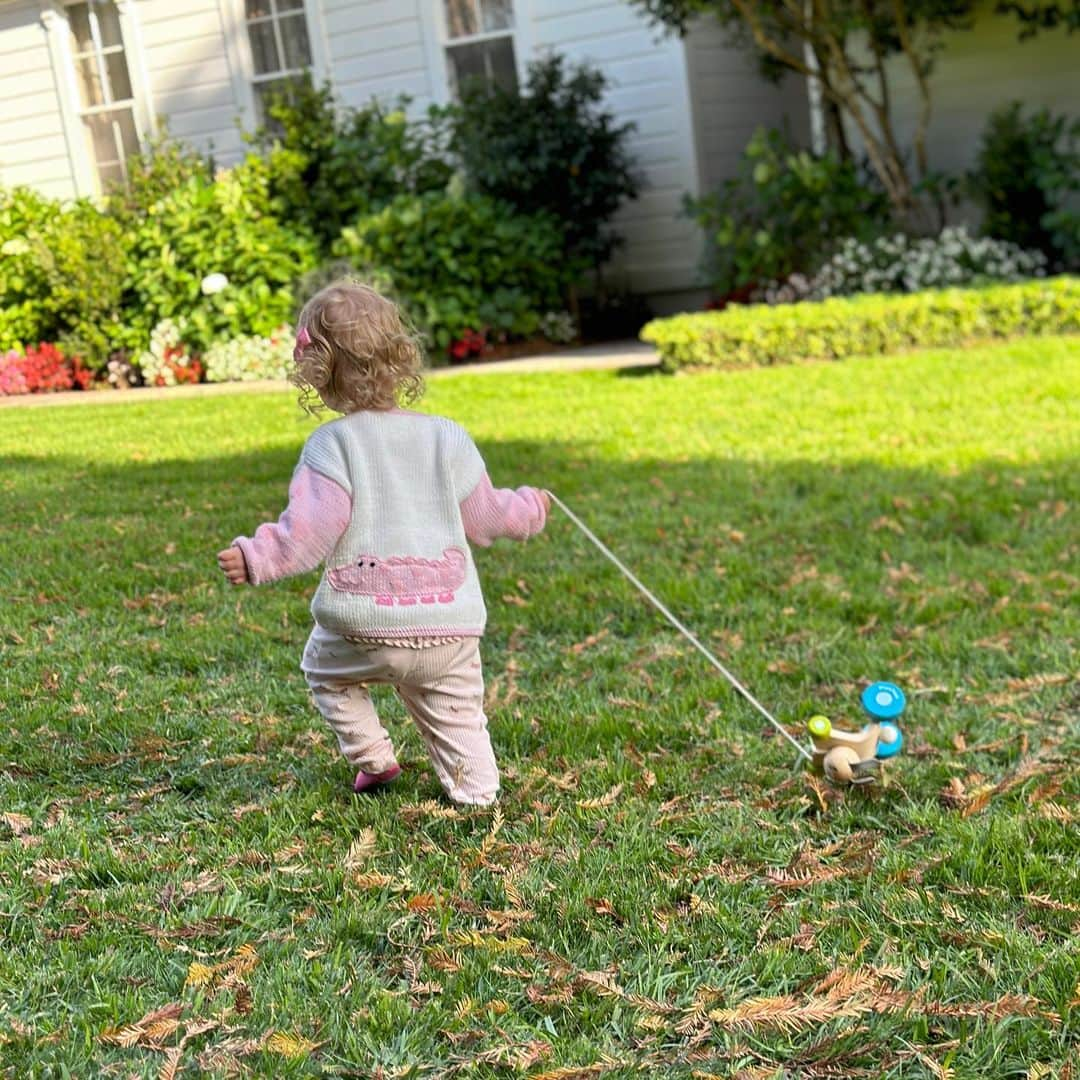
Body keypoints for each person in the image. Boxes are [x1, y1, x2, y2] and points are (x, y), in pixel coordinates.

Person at [217, 282, 548, 806]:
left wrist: (256, 556)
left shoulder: (332, 444)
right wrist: (530, 508)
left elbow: (307, 532)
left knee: (322, 672)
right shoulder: (447, 436)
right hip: (448, 628)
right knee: (460, 714)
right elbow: (488, 516)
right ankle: (478, 793)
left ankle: (373, 758)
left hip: (361, 628)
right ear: (401, 357)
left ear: (319, 375)